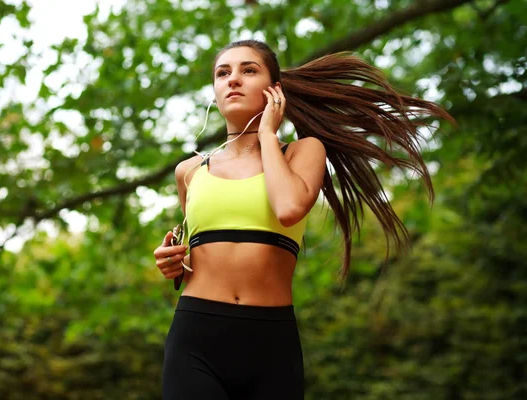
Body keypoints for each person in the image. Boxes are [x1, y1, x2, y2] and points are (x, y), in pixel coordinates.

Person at [153, 40, 453, 399]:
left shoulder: (303, 151)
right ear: (214, 92)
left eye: (248, 70)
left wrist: (267, 134)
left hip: (271, 342)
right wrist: (173, 263)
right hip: (195, 335)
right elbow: (198, 261)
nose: (233, 79)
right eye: (223, 73)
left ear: (274, 89)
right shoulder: (189, 171)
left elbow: (288, 208)